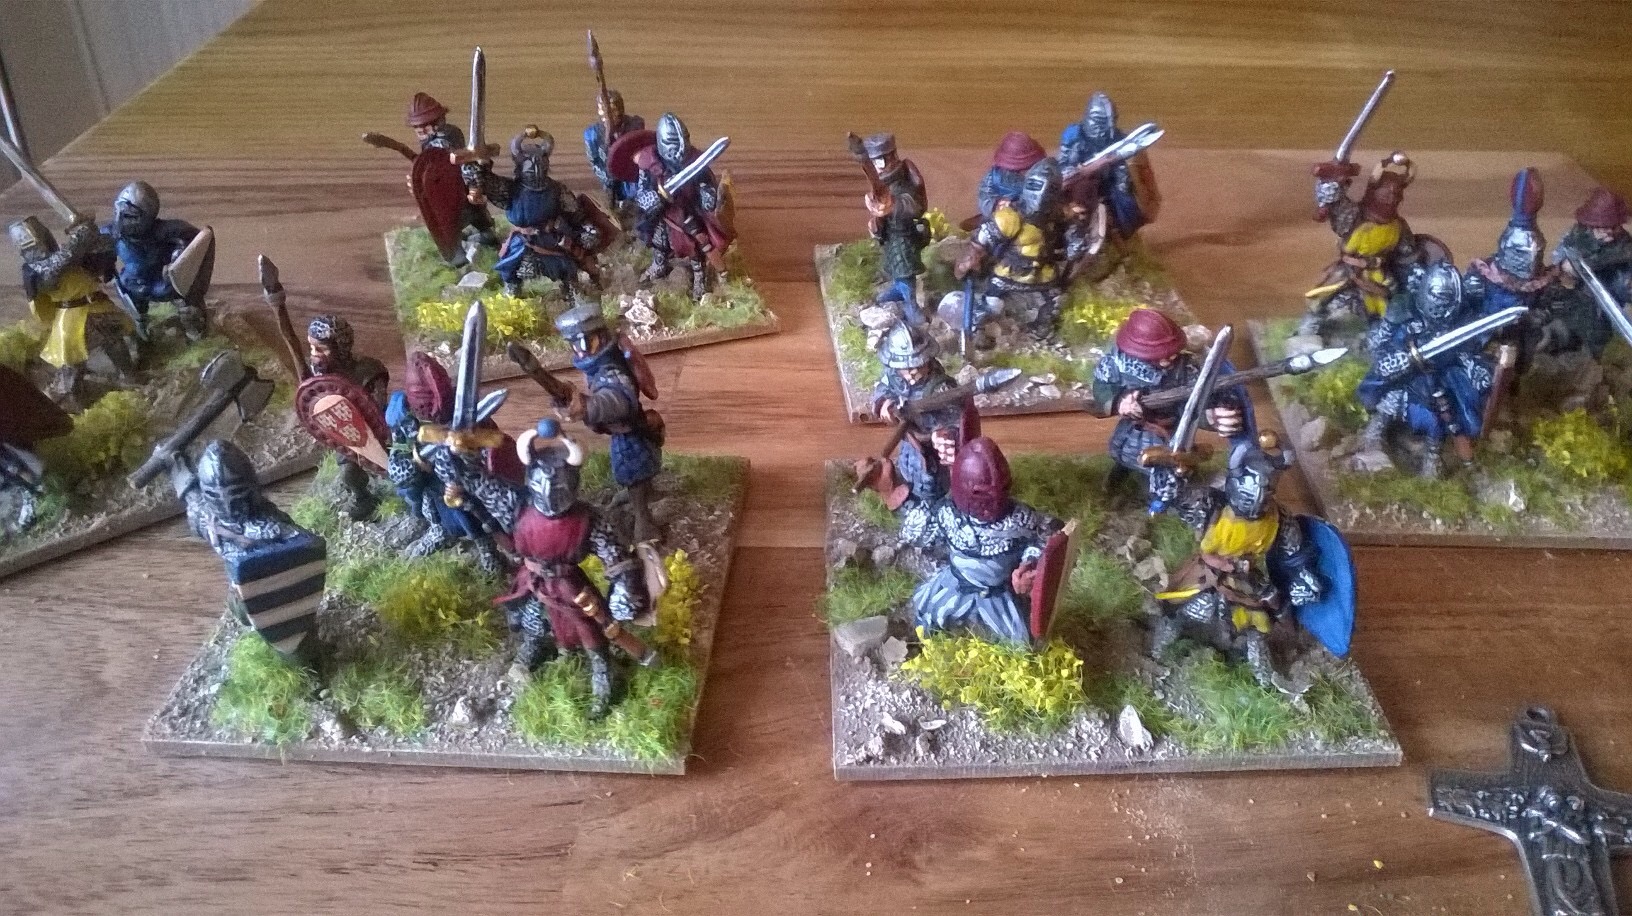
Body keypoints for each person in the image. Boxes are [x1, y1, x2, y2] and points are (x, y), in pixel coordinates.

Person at [1152, 437, 1347, 688]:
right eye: (1251, 488)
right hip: (1207, 571)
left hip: (1246, 575)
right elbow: (1178, 498)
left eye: (1266, 490)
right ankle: (1159, 648)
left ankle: (1277, 662)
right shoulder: (1212, 504)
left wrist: (1303, 576)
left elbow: (1293, 553)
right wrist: (1170, 478)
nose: (1258, 495)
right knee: (1181, 608)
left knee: (1273, 610)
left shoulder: (1279, 518)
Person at [491, 421, 655, 714]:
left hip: (570, 587)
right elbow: (484, 489)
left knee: (590, 631)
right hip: (533, 580)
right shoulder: (518, 507)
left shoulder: (587, 520)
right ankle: (533, 650)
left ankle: (603, 673)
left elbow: (615, 557)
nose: (551, 491)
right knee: (533, 621)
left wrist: (625, 589)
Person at [900, 437, 1061, 645]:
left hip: (998, 597)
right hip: (955, 585)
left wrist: (1028, 565)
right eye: (981, 494)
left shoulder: (1020, 518)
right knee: (929, 620)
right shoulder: (947, 513)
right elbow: (914, 533)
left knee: (1017, 644)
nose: (991, 503)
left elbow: (1046, 537)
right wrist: (918, 495)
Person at [1091, 308, 1246, 507]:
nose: (1166, 360)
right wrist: (1119, 401)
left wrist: (1211, 416)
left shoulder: (1185, 369)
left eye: (1170, 353)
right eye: (1157, 356)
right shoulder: (1117, 364)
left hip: (1172, 429)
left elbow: (1194, 404)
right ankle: (1116, 486)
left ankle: (1160, 500)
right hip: (1137, 425)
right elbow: (1102, 386)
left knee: (1169, 464)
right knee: (1126, 455)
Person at [1355, 262, 1496, 478]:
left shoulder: (1462, 318)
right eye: (1437, 299)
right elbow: (1377, 342)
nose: (1440, 308)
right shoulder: (1404, 308)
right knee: (1391, 398)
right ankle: (1374, 435)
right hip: (1407, 371)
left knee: (1444, 414)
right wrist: (1393, 361)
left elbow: (1469, 350)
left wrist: (1475, 369)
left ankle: (1433, 455)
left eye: (1446, 302)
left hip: (1442, 374)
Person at [554, 305, 664, 545]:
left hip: (629, 432)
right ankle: (643, 494)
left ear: (600, 338)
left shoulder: (613, 369)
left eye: (587, 343)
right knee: (635, 472)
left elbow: (616, 400)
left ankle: (644, 523)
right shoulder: (601, 367)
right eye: (575, 345)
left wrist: (586, 406)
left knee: (632, 474)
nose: (581, 351)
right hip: (624, 431)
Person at [462, 126, 609, 299]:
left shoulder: (557, 190)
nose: (535, 169)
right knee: (511, 267)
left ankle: (572, 292)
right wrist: (477, 168)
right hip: (523, 240)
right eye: (530, 166)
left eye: (539, 164)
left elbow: (575, 214)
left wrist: (587, 230)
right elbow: (486, 181)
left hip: (552, 238)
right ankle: (512, 292)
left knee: (567, 268)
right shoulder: (510, 189)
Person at [9, 215, 134, 407]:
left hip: (96, 308)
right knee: (73, 361)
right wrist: (79, 238)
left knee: (114, 341)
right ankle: (67, 398)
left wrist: (91, 233)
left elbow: (103, 250)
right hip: (71, 317)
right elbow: (57, 265)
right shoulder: (37, 269)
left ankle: (128, 377)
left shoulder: (68, 255)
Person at [1299, 152, 1425, 338]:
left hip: (1380, 274)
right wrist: (1333, 184)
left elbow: (1408, 256)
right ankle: (1310, 327)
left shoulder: (1398, 226)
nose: (1391, 198)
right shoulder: (1354, 215)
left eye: (1396, 194)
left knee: (1391, 305)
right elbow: (1335, 202)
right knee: (1324, 295)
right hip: (1349, 269)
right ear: (1375, 192)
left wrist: (1418, 274)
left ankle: (1387, 336)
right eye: (1387, 193)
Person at [625, 113, 734, 299]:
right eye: (674, 143)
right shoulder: (649, 163)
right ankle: (659, 264)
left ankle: (699, 277)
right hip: (663, 212)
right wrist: (652, 199)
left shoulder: (695, 161)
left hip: (688, 212)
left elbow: (706, 184)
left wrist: (707, 195)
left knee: (695, 246)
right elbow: (641, 192)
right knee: (659, 241)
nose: (680, 149)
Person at [956, 158, 1068, 337]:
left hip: (1043, 273)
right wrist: (971, 258)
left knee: (1056, 302)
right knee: (991, 304)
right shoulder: (1011, 217)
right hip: (1009, 272)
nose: (1043, 194)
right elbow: (983, 239)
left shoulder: (1056, 217)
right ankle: (979, 330)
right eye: (1036, 186)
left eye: (1052, 189)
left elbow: (1062, 241)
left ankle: (1040, 330)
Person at [870, 321, 963, 503]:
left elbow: (955, 416)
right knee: (907, 467)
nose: (911, 372)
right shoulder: (893, 377)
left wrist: (945, 433)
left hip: (931, 445)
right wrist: (883, 404)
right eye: (905, 369)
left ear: (927, 361)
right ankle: (909, 492)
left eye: (917, 366)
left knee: (930, 480)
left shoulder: (941, 387)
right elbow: (882, 390)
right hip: (908, 439)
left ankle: (933, 502)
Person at [103, 180, 207, 338]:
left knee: (190, 309)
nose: (121, 220)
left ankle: (196, 333)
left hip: (165, 284)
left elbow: (198, 242)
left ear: (146, 216)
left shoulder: (167, 231)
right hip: (133, 284)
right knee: (137, 319)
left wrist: (178, 257)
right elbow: (95, 252)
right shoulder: (111, 233)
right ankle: (142, 334)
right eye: (119, 212)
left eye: (130, 216)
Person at [857, 133, 930, 313]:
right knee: (894, 265)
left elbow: (916, 204)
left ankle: (911, 305)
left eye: (881, 161)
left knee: (905, 267)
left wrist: (892, 205)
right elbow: (878, 204)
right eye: (875, 162)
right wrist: (876, 219)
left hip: (904, 233)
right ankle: (898, 289)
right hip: (889, 233)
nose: (879, 166)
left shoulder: (904, 179)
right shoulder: (881, 182)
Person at [583, 90, 644, 211]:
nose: (605, 115)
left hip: (632, 174)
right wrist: (606, 177)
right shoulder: (592, 134)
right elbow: (594, 161)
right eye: (601, 109)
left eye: (612, 110)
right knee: (609, 205)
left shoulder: (635, 125)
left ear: (620, 109)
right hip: (610, 177)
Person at [976, 132, 1046, 220]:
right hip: (1002, 217)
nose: (1023, 172)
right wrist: (996, 204)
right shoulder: (994, 177)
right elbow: (985, 196)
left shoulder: (1041, 177)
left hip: (1033, 218)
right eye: (1019, 169)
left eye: (1028, 167)